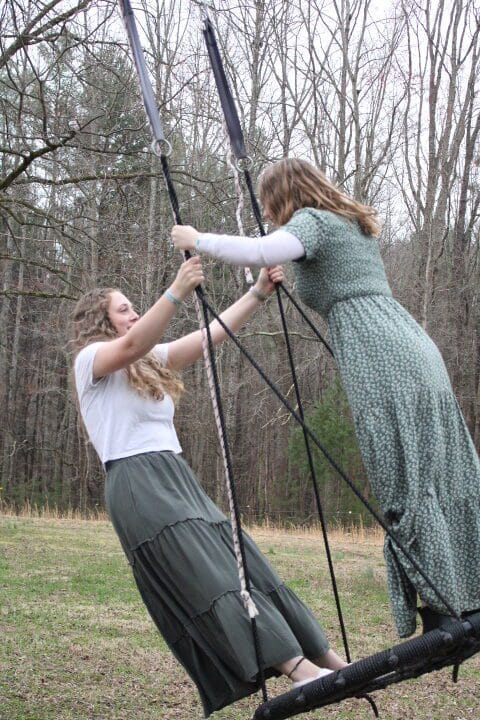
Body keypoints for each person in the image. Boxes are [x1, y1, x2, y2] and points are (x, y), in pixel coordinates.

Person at [172, 157, 480, 640]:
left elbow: (258, 249)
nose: (272, 216)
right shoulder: (348, 224)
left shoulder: (312, 222)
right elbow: (279, 253)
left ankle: (444, 604)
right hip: (410, 346)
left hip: (381, 356)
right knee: (435, 471)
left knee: (402, 473)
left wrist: (197, 241)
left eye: (272, 206)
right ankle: (461, 594)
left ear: (285, 196)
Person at [71, 255, 347, 718]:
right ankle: (296, 669)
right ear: (102, 321)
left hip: (177, 478)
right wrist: (177, 289)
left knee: (247, 567)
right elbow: (138, 340)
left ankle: (332, 664)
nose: (134, 314)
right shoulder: (91, 361)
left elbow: (206, 337)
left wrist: (258, 294)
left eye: (134, 307)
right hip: (138, 485)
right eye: (123, 309)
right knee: (214, 579)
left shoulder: (147, 362)